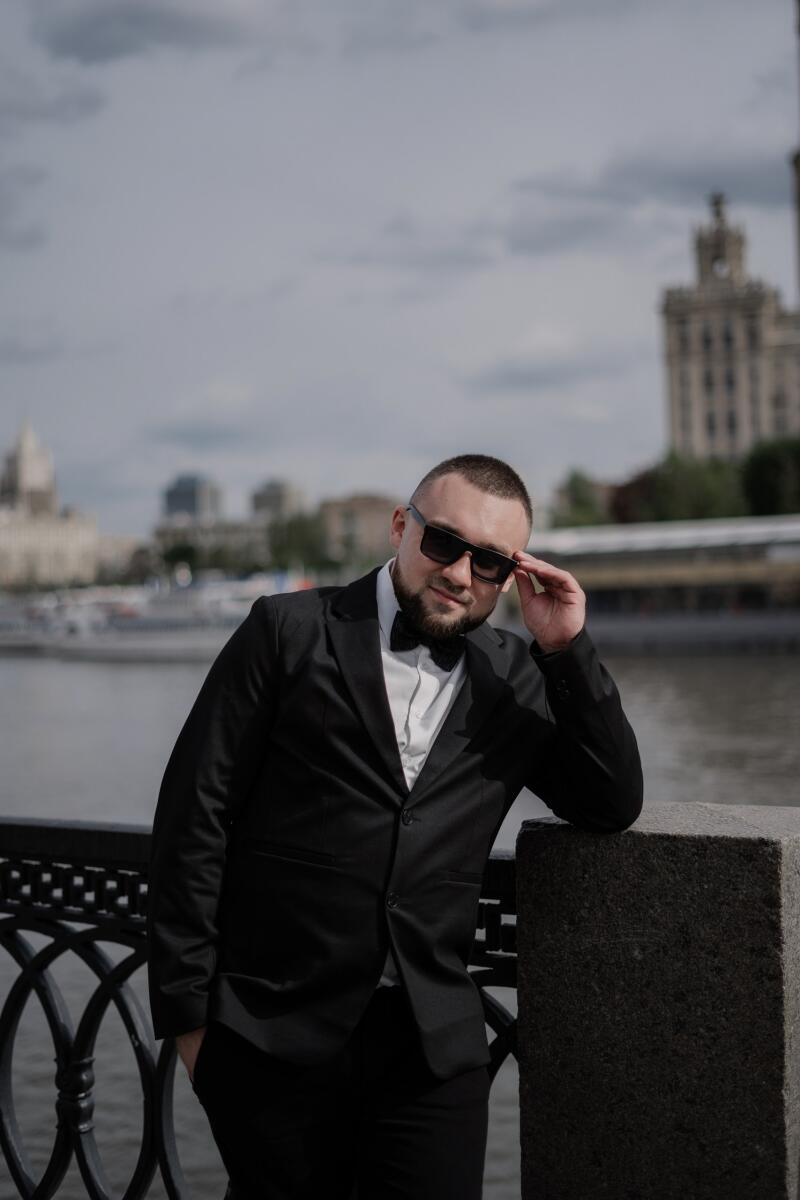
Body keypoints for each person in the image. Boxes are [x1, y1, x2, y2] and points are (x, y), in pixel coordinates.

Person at [146, 453, 643, 1199]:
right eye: (443, 542)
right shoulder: (286, 631)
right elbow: (194, 817)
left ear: (511, 574)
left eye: (490, 562)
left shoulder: (515, 673)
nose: (460, 573)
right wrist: (192, 1026)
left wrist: (566, 647)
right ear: (402, 526)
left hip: (431, 1056)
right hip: (271, 1042)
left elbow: (609, 801)